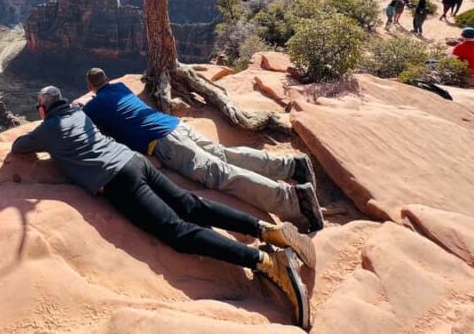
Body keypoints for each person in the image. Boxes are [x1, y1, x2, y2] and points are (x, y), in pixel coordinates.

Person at [13, 86, 314, 329]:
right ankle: (269, 231)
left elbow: (19, 147)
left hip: (118, 180)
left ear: (42, 110)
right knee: (190, 204)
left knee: (177, 232)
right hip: (136, 160)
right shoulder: (79, 114)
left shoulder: (47, 129)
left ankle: (266, 262)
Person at [80, 69, 324, 232]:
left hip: (165, 142)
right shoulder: (120, 87)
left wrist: (82, 104)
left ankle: (295, 201)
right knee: (224, 154)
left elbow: (80, 120)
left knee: (220, 174)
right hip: (175, 126)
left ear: (90, 86)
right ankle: (292, 166)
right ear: (106, 80)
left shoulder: (96, 105)